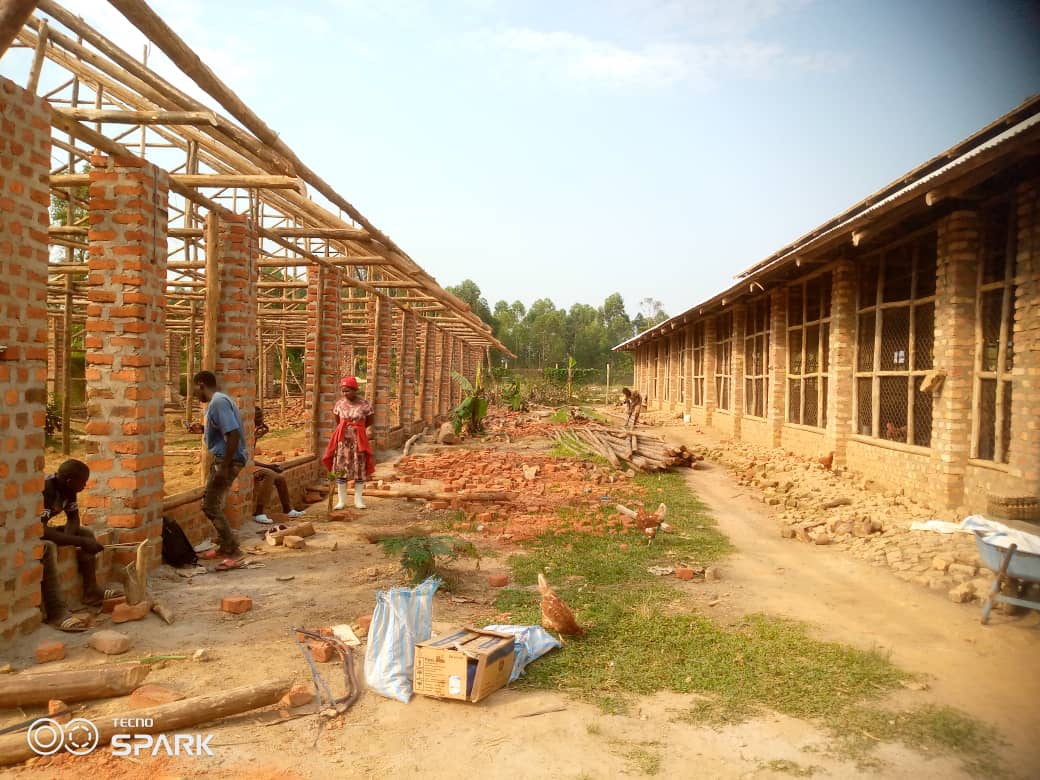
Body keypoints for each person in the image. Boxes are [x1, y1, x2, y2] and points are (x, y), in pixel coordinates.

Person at [39, 459, 113, 632]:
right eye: (83, 482)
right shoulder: (45, 490)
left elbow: (73, 519)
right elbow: (39, 531)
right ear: (70, 481)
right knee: (49, 547)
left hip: (40, 528)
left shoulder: (68, 489)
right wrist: (78, 542)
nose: (85, 486)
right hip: (29, 532)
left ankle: (91, 592)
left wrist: (68, 538)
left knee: (86, 533)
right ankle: (55, 611)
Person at [193, 370, 247, 556]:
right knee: (214, 502)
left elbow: (233, 434)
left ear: (201, 385)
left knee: (210, 505)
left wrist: (224, 466)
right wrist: (203, 429)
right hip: (228, 458)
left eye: (195, 390)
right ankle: (228, 543)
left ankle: (230, 545)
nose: (195, 395)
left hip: (228, 460)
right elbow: (223, 431)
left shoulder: (217, 403)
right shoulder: (221, 400)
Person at [322, 376, 375, 510]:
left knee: (359, 469)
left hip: (358, 442)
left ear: (355, 390)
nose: (345, 393)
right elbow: (337, 420)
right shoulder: (339, 404)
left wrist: (357, 428)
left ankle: (358, 500)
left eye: (348, 391)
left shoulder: (364, 404)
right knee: (341, 470)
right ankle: (341, 501)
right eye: (343, 391)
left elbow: (370, 420)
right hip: (343, 443)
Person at [252, 406, 305, 524]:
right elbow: (247, 460)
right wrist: (269, 467)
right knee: (269, 474)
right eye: (258, 417)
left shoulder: (253, 432)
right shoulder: (246, 433)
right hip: (241, 467)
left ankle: (288, 509)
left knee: (280, 478)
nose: (261, 419)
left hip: (248, 463)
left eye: (262, 416)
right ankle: (259, 512)